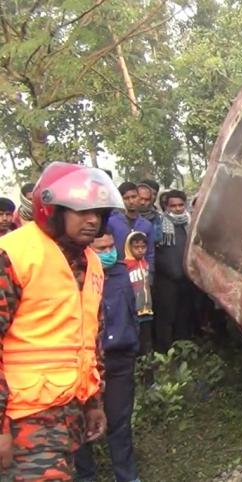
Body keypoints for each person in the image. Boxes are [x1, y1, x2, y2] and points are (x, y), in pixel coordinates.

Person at [0, 162, 123, 480]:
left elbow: (89, 340)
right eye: (81, 211)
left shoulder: (90, 261)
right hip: (22, 417)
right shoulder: (13, 255)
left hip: (68, 411)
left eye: (98, 212)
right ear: (52, 210)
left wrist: (93, 403)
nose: (93, 220)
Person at [74, 229, 141, 482]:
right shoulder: (79, 276)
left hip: (120, 358)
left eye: (111, 246)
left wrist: (133, 344)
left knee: (120, 423)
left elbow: (135, 310)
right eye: (101, 249)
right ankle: (85, 476)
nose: (108, 252)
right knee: (81, 425)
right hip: (86, 363)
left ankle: (127, 476)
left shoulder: (124, 272)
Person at [154, 190, 193, 351]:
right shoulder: (159, 225)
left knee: (184, 315)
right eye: (173, 206)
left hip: (187, 278)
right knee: (166, 316)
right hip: (166, 279)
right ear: (166, 206)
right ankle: (165, 351)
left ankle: (183, 349)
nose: (177, 209)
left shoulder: (190, 224)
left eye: (180, 205)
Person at [107, 182, 155, 276]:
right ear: (120, 199)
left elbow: (150, 254)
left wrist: (150, 276)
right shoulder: (111, 222)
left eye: (134, 197)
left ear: (139, 197)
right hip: (117, 273)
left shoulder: (147, 225)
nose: (131, 201)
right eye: (126, 198)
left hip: (140, 274)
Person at [125, 231, 154, 355]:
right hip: (133, 311)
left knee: (146, 338)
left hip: (146, 308)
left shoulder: (145, 263)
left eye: (143, 247)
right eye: (136, 247)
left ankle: (147, 363)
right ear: (128, 247)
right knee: (134, 338)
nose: (140, 250)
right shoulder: (126, 266)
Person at [136, 180, 162, 246]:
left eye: (154, 194)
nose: (143, 202)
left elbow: (157, 238)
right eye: (141, 198)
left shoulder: (156, 216)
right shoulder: (127, 215)